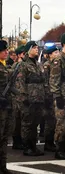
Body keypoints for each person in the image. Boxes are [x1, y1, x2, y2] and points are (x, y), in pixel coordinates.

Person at [16, 41, 45, 156]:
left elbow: (44, 81)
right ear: (29, 50)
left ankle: (33, 146)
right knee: (27, 124)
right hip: (28, 99)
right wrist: (24, 98)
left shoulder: (38, 65)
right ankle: (27, 146)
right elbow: (20, 83)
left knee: (35, 123)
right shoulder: (23, 65)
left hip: (38, 98)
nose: (37, 50)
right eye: (34, 48)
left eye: (37, 48)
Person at [43, 46, 59, 153]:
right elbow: (45, 82)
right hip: (49, 96)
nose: (57, 54)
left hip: (55, 95)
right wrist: (49, 95)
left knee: (55, 120)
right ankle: (48, 143)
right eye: (55, 52)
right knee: (50, 120)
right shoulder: (47, 65)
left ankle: (51, 141)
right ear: (49, 55)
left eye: (58, 52)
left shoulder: (56, 64)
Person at [0, 40, 13, 174]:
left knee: (4, 137)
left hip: (6, 105)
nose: (6, 52)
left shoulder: (5, 65)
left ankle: (3, 166)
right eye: (4, 50)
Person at [11, 45, 25, 150]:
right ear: (19, 55)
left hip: (22, 96)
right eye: (23, 54)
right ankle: (16, 141)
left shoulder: (23, 66)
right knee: (17, 119)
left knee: (23, 120)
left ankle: (20, 140)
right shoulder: (16, 66)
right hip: (16, 97)